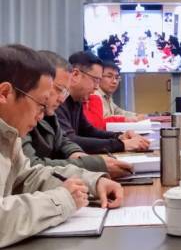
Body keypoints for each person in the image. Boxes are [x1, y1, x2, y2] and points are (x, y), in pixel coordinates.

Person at [0, 44, 123, 248]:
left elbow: (29, 177)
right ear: (5, 93)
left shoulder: (8, 135)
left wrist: (92, 182)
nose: (41, 116)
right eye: (40, 104)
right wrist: (63, 200)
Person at [22, 51, 134, 179]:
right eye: (59, 89)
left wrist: (80, 156)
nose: (61, 99)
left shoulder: (50, 110)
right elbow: (32, 168)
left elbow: (64, 140)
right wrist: (93, 165)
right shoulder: (27, 114)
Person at [56, 51, 149, 154]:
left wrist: (119, 136)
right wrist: (122, 145)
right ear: (75, 74)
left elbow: (88, 131)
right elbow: (69, 140)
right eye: (95, 80)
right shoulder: (57, 101)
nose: (97, 87)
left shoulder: (77, 100)